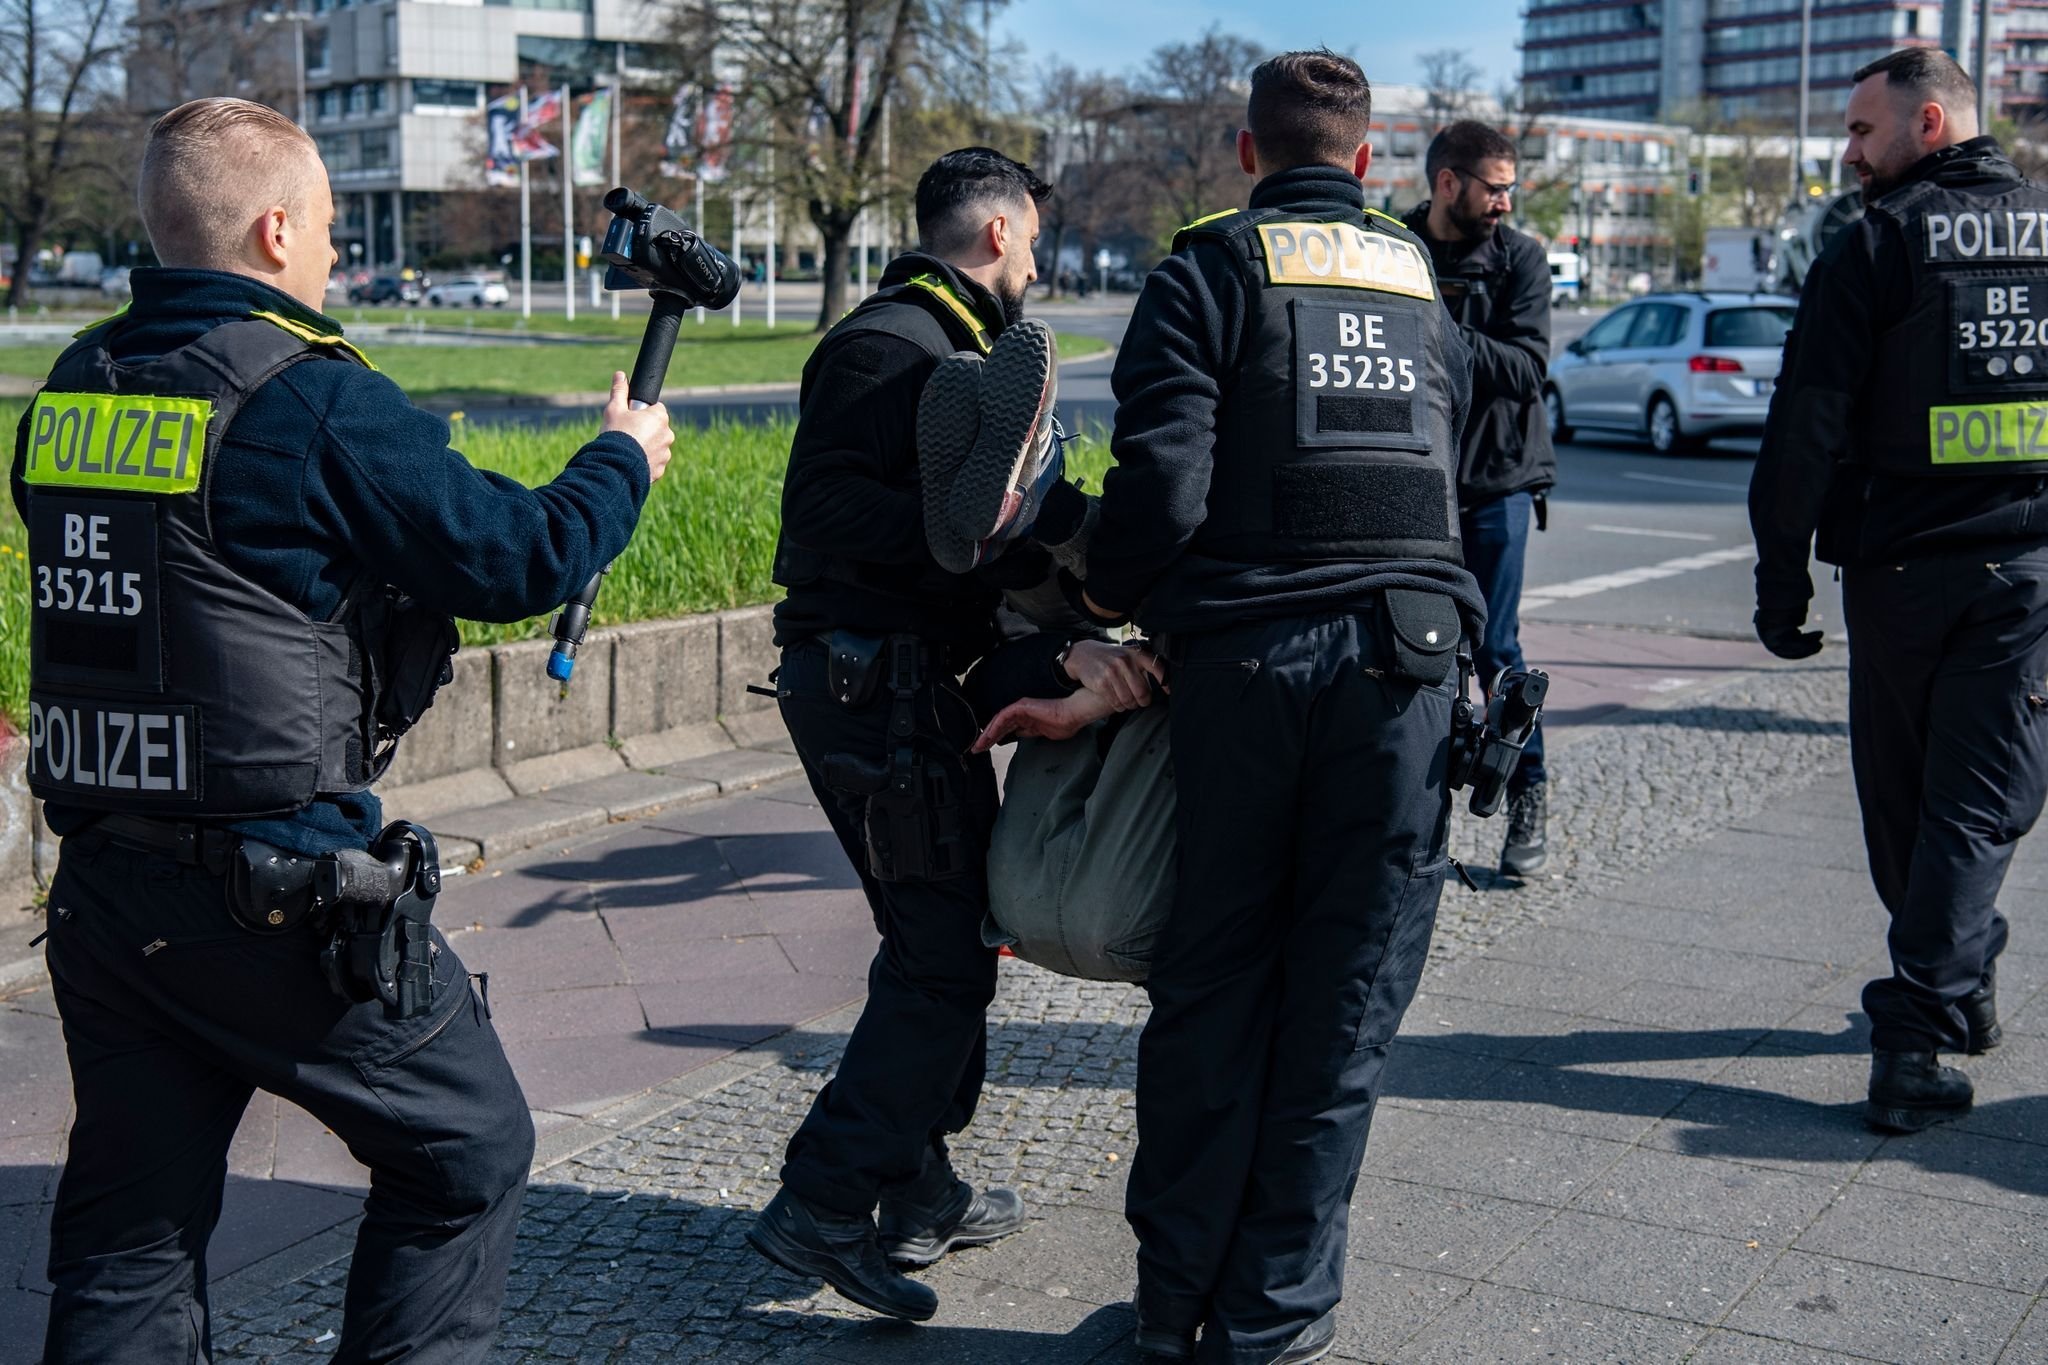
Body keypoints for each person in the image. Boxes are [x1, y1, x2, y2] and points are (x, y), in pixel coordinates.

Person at [19, 98, 674, 1362]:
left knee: (131, 1235)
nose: (332, 258)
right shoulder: (304, 395)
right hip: (277, 894)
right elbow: (514, 552)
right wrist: (621, 459)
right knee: (465, 1151)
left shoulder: (74, 384)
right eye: (323, 230)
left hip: (108, 884)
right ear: (273, 231)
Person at [1076, 50, 1482, 1364]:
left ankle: (1171, 1301)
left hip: (1246, 674)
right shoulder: (1427, 286)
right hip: (1408, 675)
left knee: (1212, 987)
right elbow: (1458, 474)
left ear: (1246, 155)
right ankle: (1273, 1317)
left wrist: (1123, 608)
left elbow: (1157, 495)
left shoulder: (1205, 272)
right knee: (1345, 999)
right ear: (1369, 164)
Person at [747, 146, 1156, 1320]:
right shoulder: (889, 346)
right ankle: (824, 1199)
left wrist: (1054, 564)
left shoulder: (955, 356)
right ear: (999, 230)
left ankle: (918, 1189)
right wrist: (968, 525)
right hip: (870, 688)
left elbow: (970, 555)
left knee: (942, 940)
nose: (1036, 261)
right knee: (938, 959)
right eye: (1032, 239)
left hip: (903, 682)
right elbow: (823, 513)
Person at [1749, 47, 2048, 1134]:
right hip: (2020, 570)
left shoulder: (1870, 243)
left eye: (1860, 131)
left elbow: (1804, 430)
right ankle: (1956, 974)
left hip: (1900, 572)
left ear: (1928, 122)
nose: (1846, 151)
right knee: (1953, 811)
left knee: (1922, 802)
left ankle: (1911, 1036)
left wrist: (1779, 580)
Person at [1405, 120, 1557, 877]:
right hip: (1414, 477)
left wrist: (1432, 328)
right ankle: (1407, 811)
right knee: (1407, 646)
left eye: (1509, 188)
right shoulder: (1393, 246)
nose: (1505, 201)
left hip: (1495, 479)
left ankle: (1527, 792)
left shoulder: (1522, 259)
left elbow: (1528, 368)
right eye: (1494, 186)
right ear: (1447, 183)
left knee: (1497, 651)